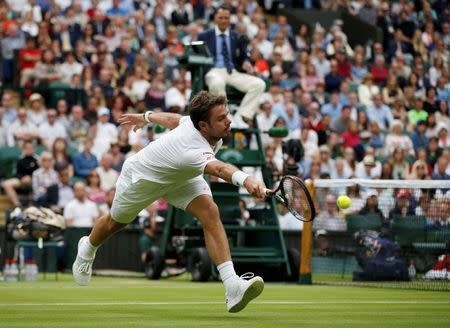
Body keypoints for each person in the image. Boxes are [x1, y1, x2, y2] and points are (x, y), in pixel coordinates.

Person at [72, 91, 265, 313]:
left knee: (210, 212)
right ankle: (87, 248)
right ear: (203, 126)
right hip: (143, 179)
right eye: (221, 118)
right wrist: (247, 180)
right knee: (116, 223)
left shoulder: (195, 125)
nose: (228, 121)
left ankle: (232, 286)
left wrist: (145, 116)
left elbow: (175, 119)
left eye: (227, 115)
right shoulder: (193, 148)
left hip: (180, 176)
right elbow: (220, 169)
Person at [197, 5, 265, 122]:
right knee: (217, 83)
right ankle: (226, 117)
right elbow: (197, 54)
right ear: (215, 19)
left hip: (232, 72)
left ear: (230, 19)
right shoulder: (204, 36)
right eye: (221, 17)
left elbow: (244, 57)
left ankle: (241, 116)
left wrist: (246, 63)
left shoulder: (236, 36)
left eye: (226, 18)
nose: (224, 20)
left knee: (259, 84)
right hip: (213, 71)